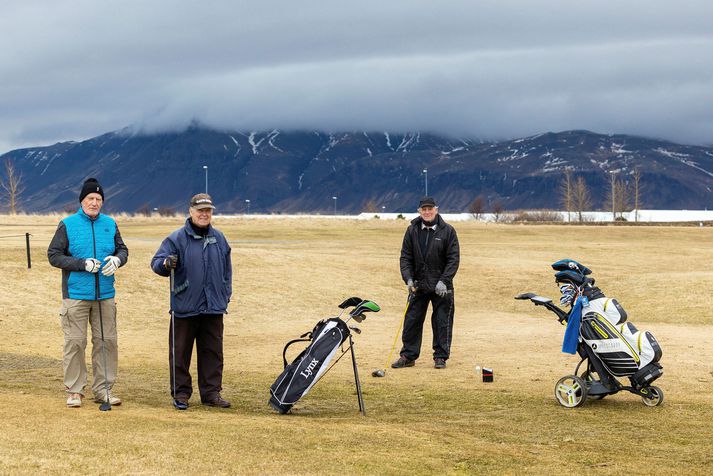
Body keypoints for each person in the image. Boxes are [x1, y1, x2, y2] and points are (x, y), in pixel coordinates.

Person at [47, 178, 128, 408]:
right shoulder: (68, 224)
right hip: (76, 294)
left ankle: (103, 390)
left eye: (98, 199)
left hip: (105, 294)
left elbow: (122, 249)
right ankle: (74, 391)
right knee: (75, 342)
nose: (94, 202)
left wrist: (117, 259)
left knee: (107, 341)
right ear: (82, 200)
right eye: (90, 198)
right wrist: (82, 264)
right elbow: (54, 255)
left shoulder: (110, 224)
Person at [151, 193, 232, 410]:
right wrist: (166, 263)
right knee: (180, 353)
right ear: (191, 211)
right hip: (184, 305)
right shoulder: (176, 239)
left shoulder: (220, 239)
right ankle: (181, 394)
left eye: (208, 211)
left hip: (213, 306)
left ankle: (211, 393)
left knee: (213, 352)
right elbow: (156, 263)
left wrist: (225, 294)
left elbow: (227, 271)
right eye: (200, 210)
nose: (204, 214)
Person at [393, 196, 460, 369]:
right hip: (418, 285)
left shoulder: (448, 231)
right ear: (419, 211)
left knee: (442, 321)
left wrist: (444, 281)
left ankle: (440, 357)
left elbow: (453, 259)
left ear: (436, 210)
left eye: (430, 209)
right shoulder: (412, 231)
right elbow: (405, 257)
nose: (427, 212)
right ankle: (408, 355)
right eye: (424, 209)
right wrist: (408, 279)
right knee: (412, 321)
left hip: (442, 288)